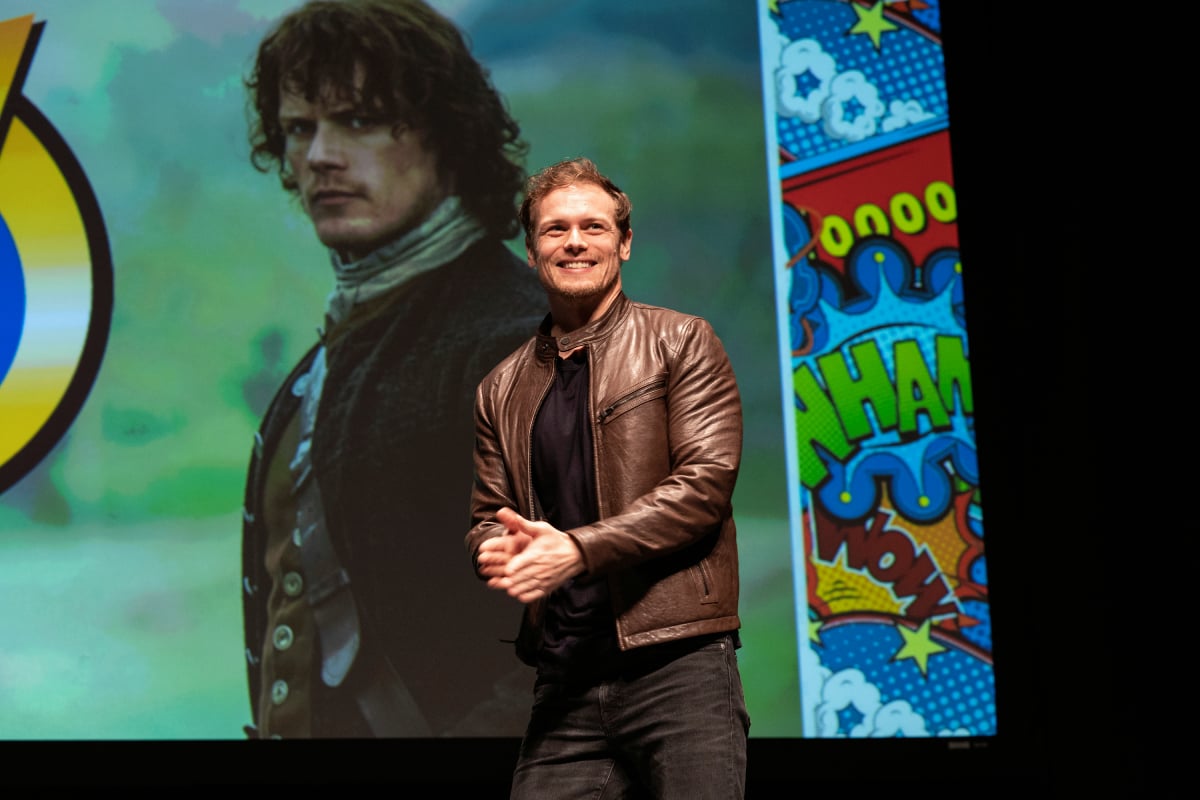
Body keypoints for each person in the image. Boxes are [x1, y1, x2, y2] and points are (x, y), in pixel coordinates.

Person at [239, 0, 544, 738]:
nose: (320, 156)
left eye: (360, 120)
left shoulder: (526, 344)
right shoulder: (341, 350)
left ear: (448, 136)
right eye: (300, 129)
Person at [467, 157, 750, 798]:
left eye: (593, 227)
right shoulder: (499, 389)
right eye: (555, 229)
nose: (574, 242)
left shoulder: (681, 341)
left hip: (678, 663)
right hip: (564, 672)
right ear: (531, 249)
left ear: (623, 242)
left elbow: (704, 487)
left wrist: (576, 549)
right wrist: (496, 547)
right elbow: (487, 514)